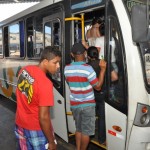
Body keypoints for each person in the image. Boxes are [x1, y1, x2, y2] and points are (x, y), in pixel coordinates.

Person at [15, 46, 61, 150]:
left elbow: (21, 95)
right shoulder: (45, 84)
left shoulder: (24, 70)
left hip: (20, 124)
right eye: (55, 62)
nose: (58, 66)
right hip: (36, 129)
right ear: (45, 61)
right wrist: (51, 141)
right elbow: (43, 118)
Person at [64, 43, 106, 150]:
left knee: (79, 129)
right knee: (86, 132)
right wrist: (103, 70)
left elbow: (70, 84)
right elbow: (98, 87)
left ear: (72, 55)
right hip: (88, 105)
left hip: (75, 105)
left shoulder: (67, 69)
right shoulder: (88, 69)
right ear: (85, 53)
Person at [87, 46, 118, 145]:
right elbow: (115, 77)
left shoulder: (86, 66)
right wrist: (106, 82)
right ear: (97, 53)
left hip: (90, 94)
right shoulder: (104, 63)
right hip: (102, 93)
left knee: (90, 116)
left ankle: (88, 137)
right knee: (102, 117)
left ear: (88, 56)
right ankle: (101, 139)